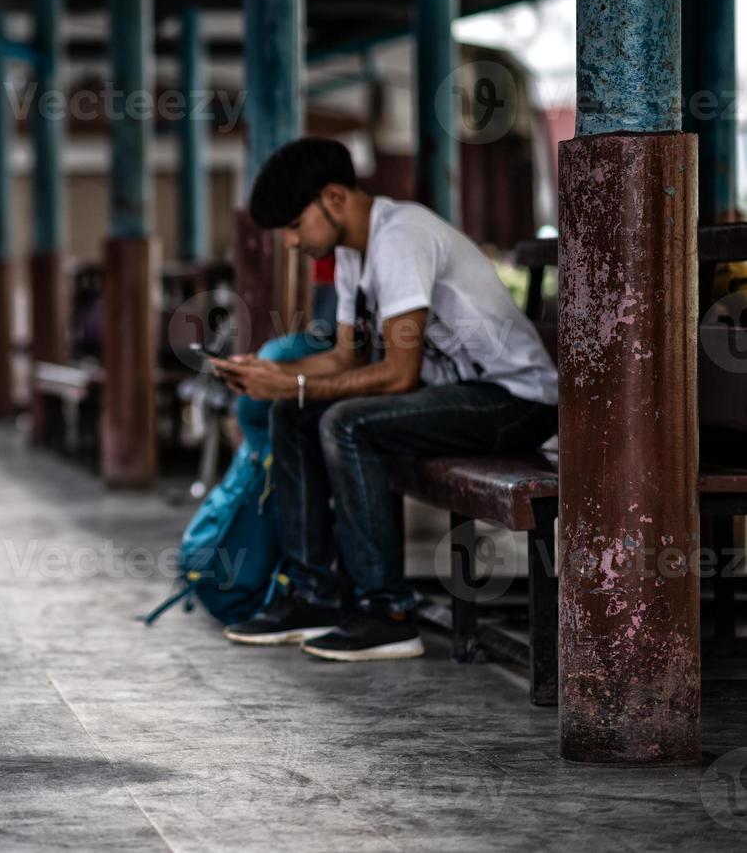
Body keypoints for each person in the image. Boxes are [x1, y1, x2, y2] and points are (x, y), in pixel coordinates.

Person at [211, 138, 558, 661]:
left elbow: (397, 376)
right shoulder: (353, 249)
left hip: (515, 400)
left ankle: (387, 611)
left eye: (294, 223)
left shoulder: (401, 236)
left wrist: (296, 383)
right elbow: (346, 360)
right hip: (457, 397)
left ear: (332, 198)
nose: (291, 241)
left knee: (345, 424)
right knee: (292, 414)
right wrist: (273, 374)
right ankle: (314, 596)